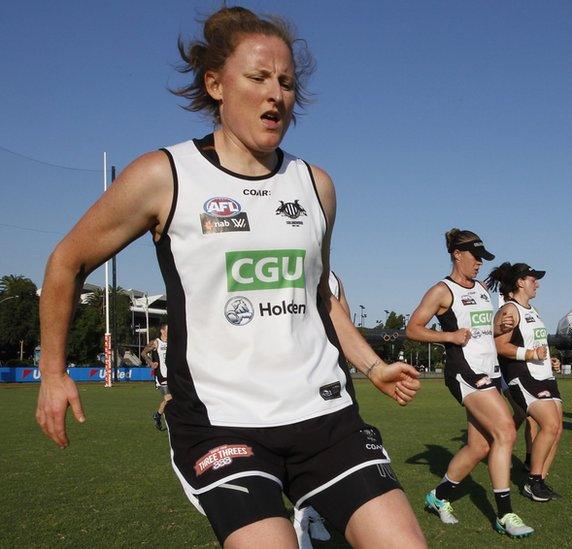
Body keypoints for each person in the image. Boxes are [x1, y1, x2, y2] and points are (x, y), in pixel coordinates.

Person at [34, 8, 426, 547]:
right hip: (222, 421)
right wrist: (52, 372)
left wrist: (373, 364)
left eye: (286, 82)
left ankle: (317, 515)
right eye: (259, 78)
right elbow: (67, 261)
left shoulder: (316, 186)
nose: (277, 95)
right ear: (215, 84)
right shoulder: (164, 175)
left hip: (323, 412)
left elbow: (319, 293)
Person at [406, 229, 534, 538]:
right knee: (505, 430)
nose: (479, 263)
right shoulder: (441, 290)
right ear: (457, 254)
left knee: (479, 446)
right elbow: (413, 328)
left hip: (488, 372)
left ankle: (438, 497)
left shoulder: (480, 289)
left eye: (482, 257)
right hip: (464, 372)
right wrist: (448, 336)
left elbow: (478, 330)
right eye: (475, 256)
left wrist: (497, 325)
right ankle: (505, 515)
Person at [487, 262, 564, 503]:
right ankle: (533, 483)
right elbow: (500, 346)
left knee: (557, 429)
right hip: (523, 375)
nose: (537, 283)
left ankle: (539, 478)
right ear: (520, 282)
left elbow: (537, 343)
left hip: (544, 375)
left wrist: (551, 361)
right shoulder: (510, 310)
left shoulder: (532, 310)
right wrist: (530, 355)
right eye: (533, 279)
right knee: (549, 425)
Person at [141, 324, 170, 431]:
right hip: (161, 375)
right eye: (168, 329)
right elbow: (143, 353)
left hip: (173, 375)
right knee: (169, 398)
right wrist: (151, 363)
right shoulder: (156, 342)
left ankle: (157, 415)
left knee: (170, 399)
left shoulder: (173, 342)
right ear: (162, 331)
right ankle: (159, 415)